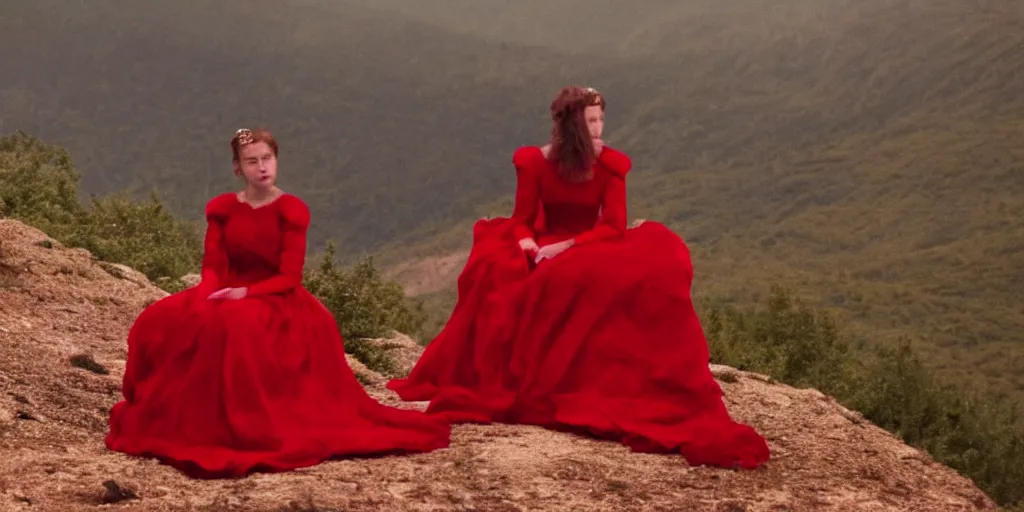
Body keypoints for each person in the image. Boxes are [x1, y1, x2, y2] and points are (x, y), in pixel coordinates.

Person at [387, 86, 770, 470]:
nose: (600, 127)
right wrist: (527, 244)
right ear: (572, 125)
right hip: (544, 241)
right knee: (506, 275)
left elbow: (614, 225)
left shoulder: (611, 165)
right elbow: (521, 218)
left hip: (591, 242)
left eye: (602, 118)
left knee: (656, 265)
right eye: (592, 120)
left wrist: (564, 248)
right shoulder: (534, 162)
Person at [106, 128, 450, 478]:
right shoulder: (224, 209)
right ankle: (179, 417)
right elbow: (212, 265)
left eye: (267, 159)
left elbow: (289, 277)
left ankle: (244, 427)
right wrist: (207, 293)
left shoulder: (290, 210)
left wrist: (245, 294)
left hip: (275, 298)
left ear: (276, 160)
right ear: (238, 168)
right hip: (229, 288)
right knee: (159, 318)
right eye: (252, 161)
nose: (262, 167)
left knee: (235, 325)